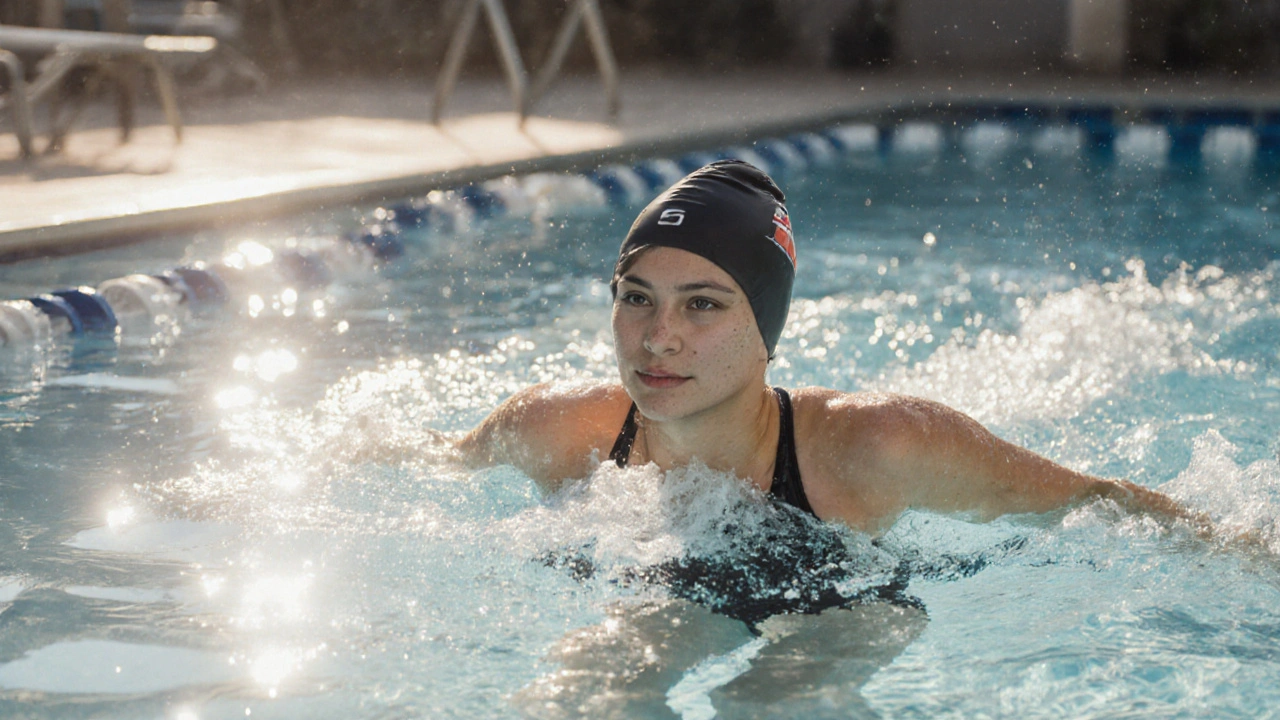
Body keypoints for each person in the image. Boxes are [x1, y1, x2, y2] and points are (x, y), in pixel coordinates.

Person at [454, 159, 1203, 537]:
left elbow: (1089, 502)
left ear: (765, 332)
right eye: (637, 298)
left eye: (703, 305)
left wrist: (1237, 544)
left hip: (835, 614)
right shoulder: (555, 429)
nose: (659, 336)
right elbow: (421, 467)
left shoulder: (873, 444)